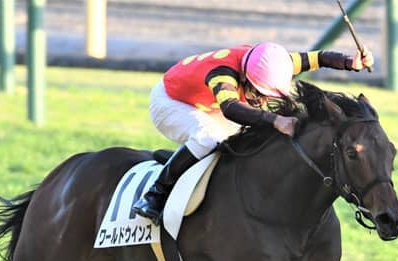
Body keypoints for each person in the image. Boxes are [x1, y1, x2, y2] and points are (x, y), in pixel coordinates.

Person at [132, 42, 375, 225]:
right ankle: (156, 193)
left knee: (247, 140)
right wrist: (275, 119)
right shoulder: (223, 73)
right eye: (258, 93)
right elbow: (230, 108)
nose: (261, 101)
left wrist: (349, 62)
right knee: (209, 137)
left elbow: (318, 57)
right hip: (171, 101)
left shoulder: (272, 62)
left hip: (207, 104)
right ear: (245, 76)